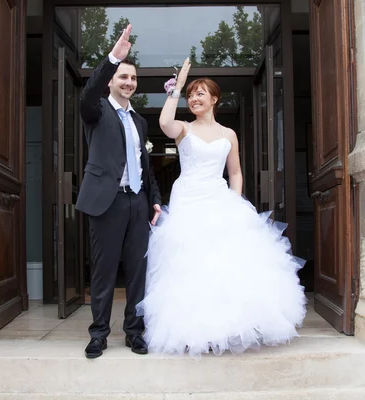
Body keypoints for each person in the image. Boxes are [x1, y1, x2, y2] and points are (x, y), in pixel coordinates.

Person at [137, 58, 306, 356]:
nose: (194, 99)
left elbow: (236, 172)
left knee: (222, 263)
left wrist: (234, 200)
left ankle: (223, 328)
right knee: (189, 263)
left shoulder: (229, 134)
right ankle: (190, 330)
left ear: (214, 99)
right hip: (188, 198)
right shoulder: (183, 129)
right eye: (191, 95)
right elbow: (163, 123)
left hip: (218, 198)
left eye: (200, 93)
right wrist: (178, 86)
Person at [76, 24, 161, 359]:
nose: (129, 83)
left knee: (138, 272)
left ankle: (134, 332)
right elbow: (88, 93)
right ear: (111, 80)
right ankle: (98, 335)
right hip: (106, 203)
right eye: (123, 77)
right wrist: (113, 57)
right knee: (104, 271)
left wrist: (154, 200)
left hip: (137, 203)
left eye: (133, 78)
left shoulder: (139, 121)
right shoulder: (96, 111)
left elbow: (145, 166)